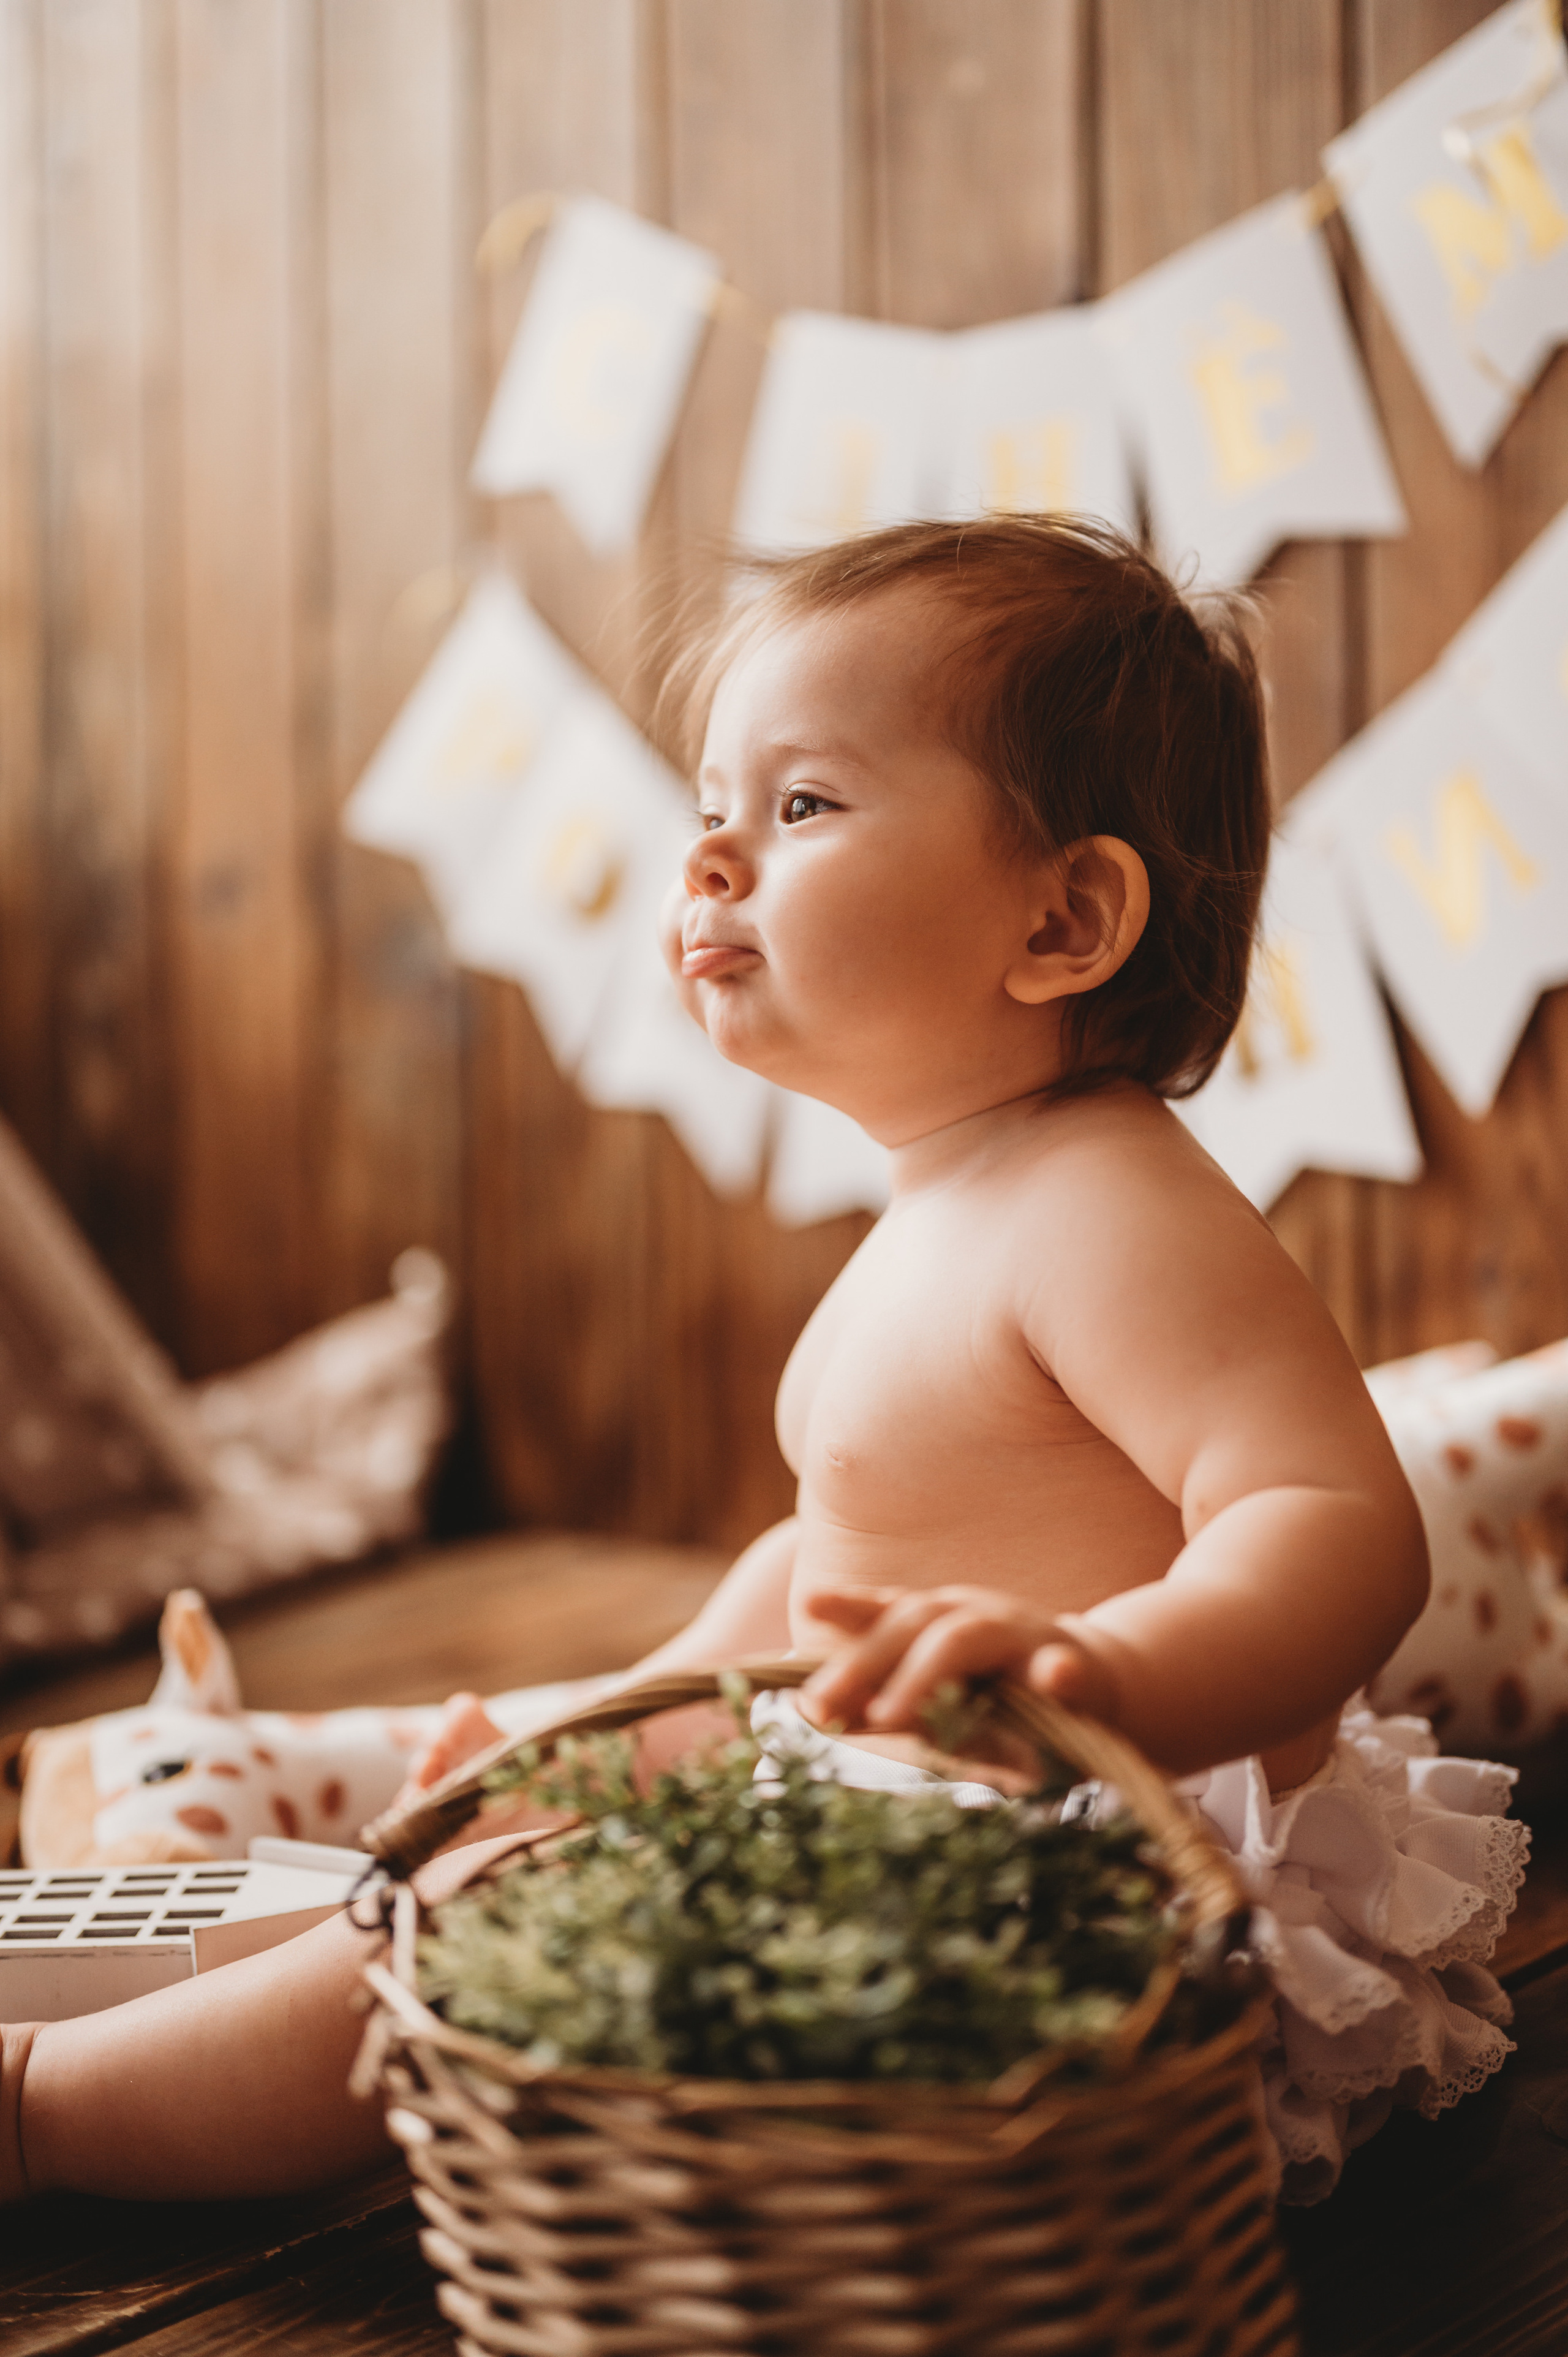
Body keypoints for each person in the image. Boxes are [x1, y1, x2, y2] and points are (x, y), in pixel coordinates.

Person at [0, 517, 1526, 2210]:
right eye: (706, 807)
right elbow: (811, 1597)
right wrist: (591, 1735)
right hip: (898, 1842)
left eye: (800, 806)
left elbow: (1334, 1519)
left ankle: (45, 2114)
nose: (712, 859)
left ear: (1065, 918)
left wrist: (1109, 1675)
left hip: (1084, 1915)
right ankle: (112, 2005)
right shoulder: (953, 1203)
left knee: (470, 1922)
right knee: (483, 1853)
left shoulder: (1108, 1208)